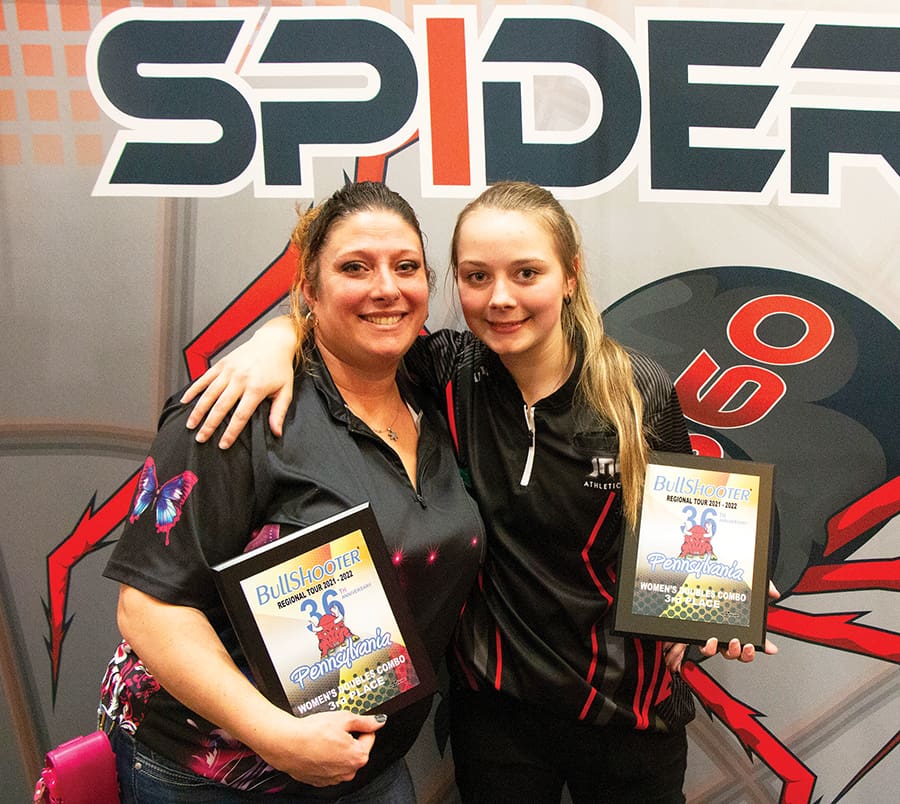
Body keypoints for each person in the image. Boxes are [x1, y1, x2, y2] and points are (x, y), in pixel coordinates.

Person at [183, 181, 778, 803]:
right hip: (496, 716)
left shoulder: (638, 390)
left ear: (570, 275)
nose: (500, 299)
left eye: (527, 273)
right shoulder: (443, 370)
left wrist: (718, 602)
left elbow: (691, 539)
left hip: (628, 713)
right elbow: (347, 331)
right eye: (476, 277)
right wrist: (276, 339)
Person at [97, 181, 484, 803]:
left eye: (406, 266)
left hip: (368, 767)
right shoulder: (237, 410)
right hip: (218, 775)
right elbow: (147, 609)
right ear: (310, 288)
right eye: (355, 267)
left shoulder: (436, 392)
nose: (387, 287)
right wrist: (275, 736)